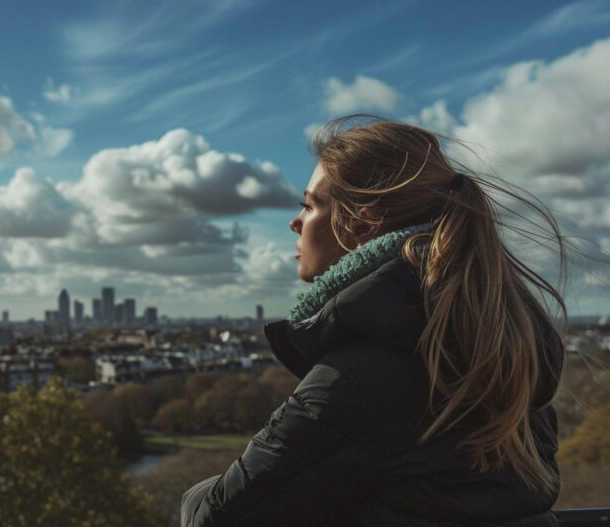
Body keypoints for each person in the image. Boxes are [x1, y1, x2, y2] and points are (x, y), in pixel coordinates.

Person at [181, 116, 566, 526]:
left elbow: (215, 516)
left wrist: (195, 492)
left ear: (362, 223)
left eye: (309, 206)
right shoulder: (500, 354)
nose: (296, 222)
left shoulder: (366, 376)